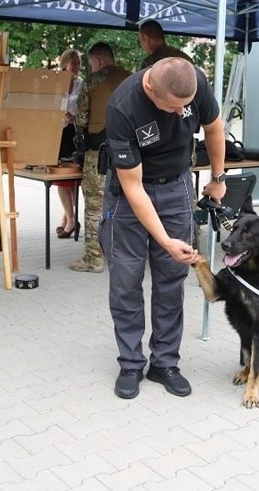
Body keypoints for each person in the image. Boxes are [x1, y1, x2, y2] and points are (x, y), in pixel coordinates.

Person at [100, 57, 226, 399]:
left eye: (184, 108)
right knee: (126, 280)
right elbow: (134, 188)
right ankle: (130, 363)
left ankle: (165, 363)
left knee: (171, 279)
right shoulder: (123, 108)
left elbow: (214, 127)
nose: (179, 114)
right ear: (150, 88)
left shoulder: (194, 83)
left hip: (177, 185)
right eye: (172, 108)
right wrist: (165, 239)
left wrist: (217, 178)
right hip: (131, 193)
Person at [69, 42, 131, 273]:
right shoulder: (131, 79)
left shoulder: (93, 81)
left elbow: (81, 117)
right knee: (128, 205)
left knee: (95, 206)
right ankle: (125, 256)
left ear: (97, 60)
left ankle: (93, 259)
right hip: (130, 154)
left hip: (99, 153)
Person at [55, 48, 82, 239]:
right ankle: (70, 219)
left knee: (71, 177)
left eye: (79, 62)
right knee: (61, 179)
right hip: (58, 131)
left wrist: (72, 114)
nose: (78, 66)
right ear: (65, 63)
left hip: (74, 132)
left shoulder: (81, 83)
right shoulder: (57, 80)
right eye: (74, 62)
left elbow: (79, 106)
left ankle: (69, 219)